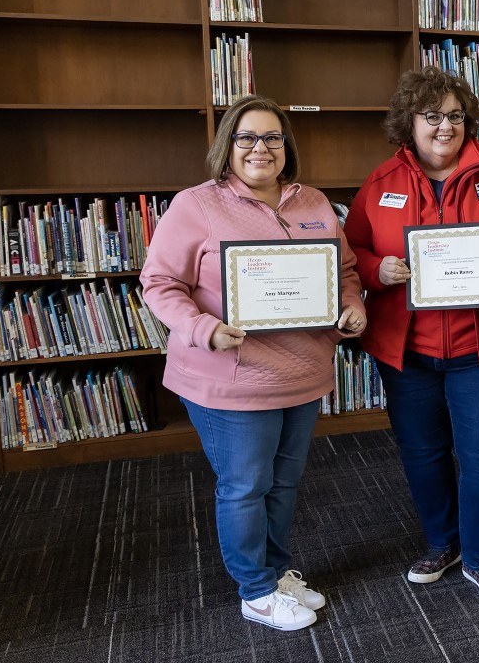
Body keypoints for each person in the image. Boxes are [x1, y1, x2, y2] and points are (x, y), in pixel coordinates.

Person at [140, 94, 367, 631]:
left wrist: (351, 305)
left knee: (284, 484)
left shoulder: (314, 203)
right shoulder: (195, 205)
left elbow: (348, 270)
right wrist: (204, 329)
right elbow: (159, 282)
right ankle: (256, 589)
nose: (260, 148)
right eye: (247, 138)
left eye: (272, 138)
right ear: (227, 146)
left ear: (286, 147)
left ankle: (277, 570)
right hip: (231, 377)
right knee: (245, 485)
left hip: (303, 372)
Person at [343, 66, 479, 601]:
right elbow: (352, 253)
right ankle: (443, 542)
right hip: (406, 349)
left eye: (455, 116)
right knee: (422, 451)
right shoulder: (382, 182)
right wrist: (377, 271)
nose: (445, 127)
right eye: (432, 116)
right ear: (408, 123)